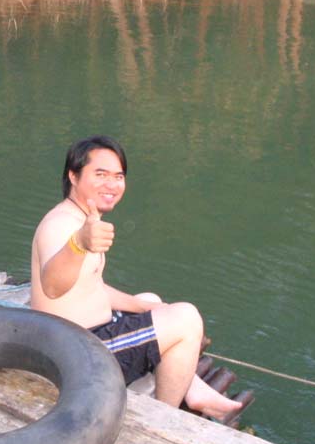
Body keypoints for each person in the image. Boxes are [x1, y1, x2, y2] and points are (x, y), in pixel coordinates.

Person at [30, 135, 242, 420]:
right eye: (100, 175)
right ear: (73, 176)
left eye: (118, 176)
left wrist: (142, 306)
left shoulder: (78, 216)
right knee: (187, 318)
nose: (112, 184)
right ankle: (165, 419)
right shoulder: (62, 225)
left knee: (149, 300)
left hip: (82, 337)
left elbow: (89, 286)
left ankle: (191, 387)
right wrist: (78, 243)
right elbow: (53, 286)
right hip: (75, 356)